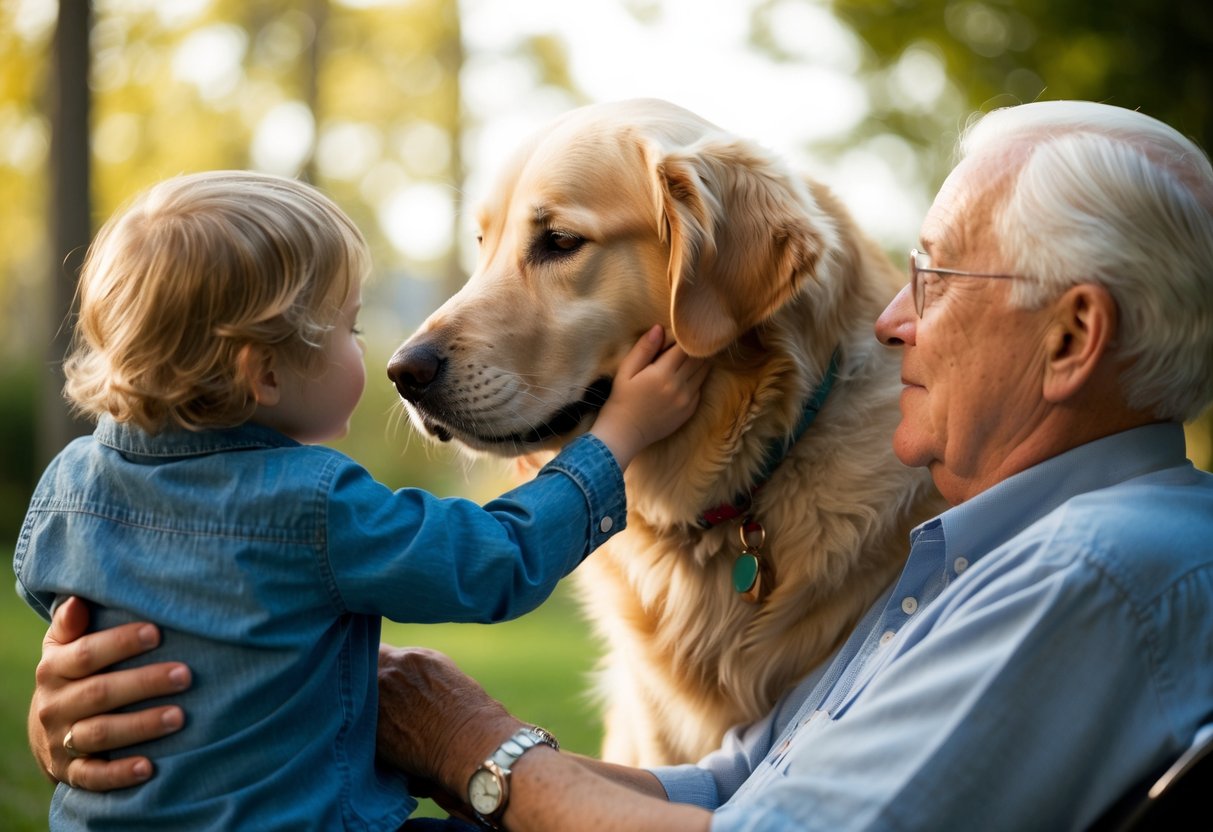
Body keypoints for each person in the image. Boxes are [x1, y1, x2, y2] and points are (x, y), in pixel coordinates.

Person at [25, 99, 1213, 830]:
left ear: (1072, 338)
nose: (890, 319)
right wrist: (191, 696)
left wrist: (462, 743)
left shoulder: (1093, 570)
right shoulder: (993, 545)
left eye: (938, 278)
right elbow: (739, 783)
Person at [13, 169, 707, 830]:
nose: (376, 353)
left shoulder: (66, 486)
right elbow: (492, 561)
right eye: (348, 328)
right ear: (266, 374)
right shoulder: (311, 505)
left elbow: (52, 602)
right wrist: (616, 438)